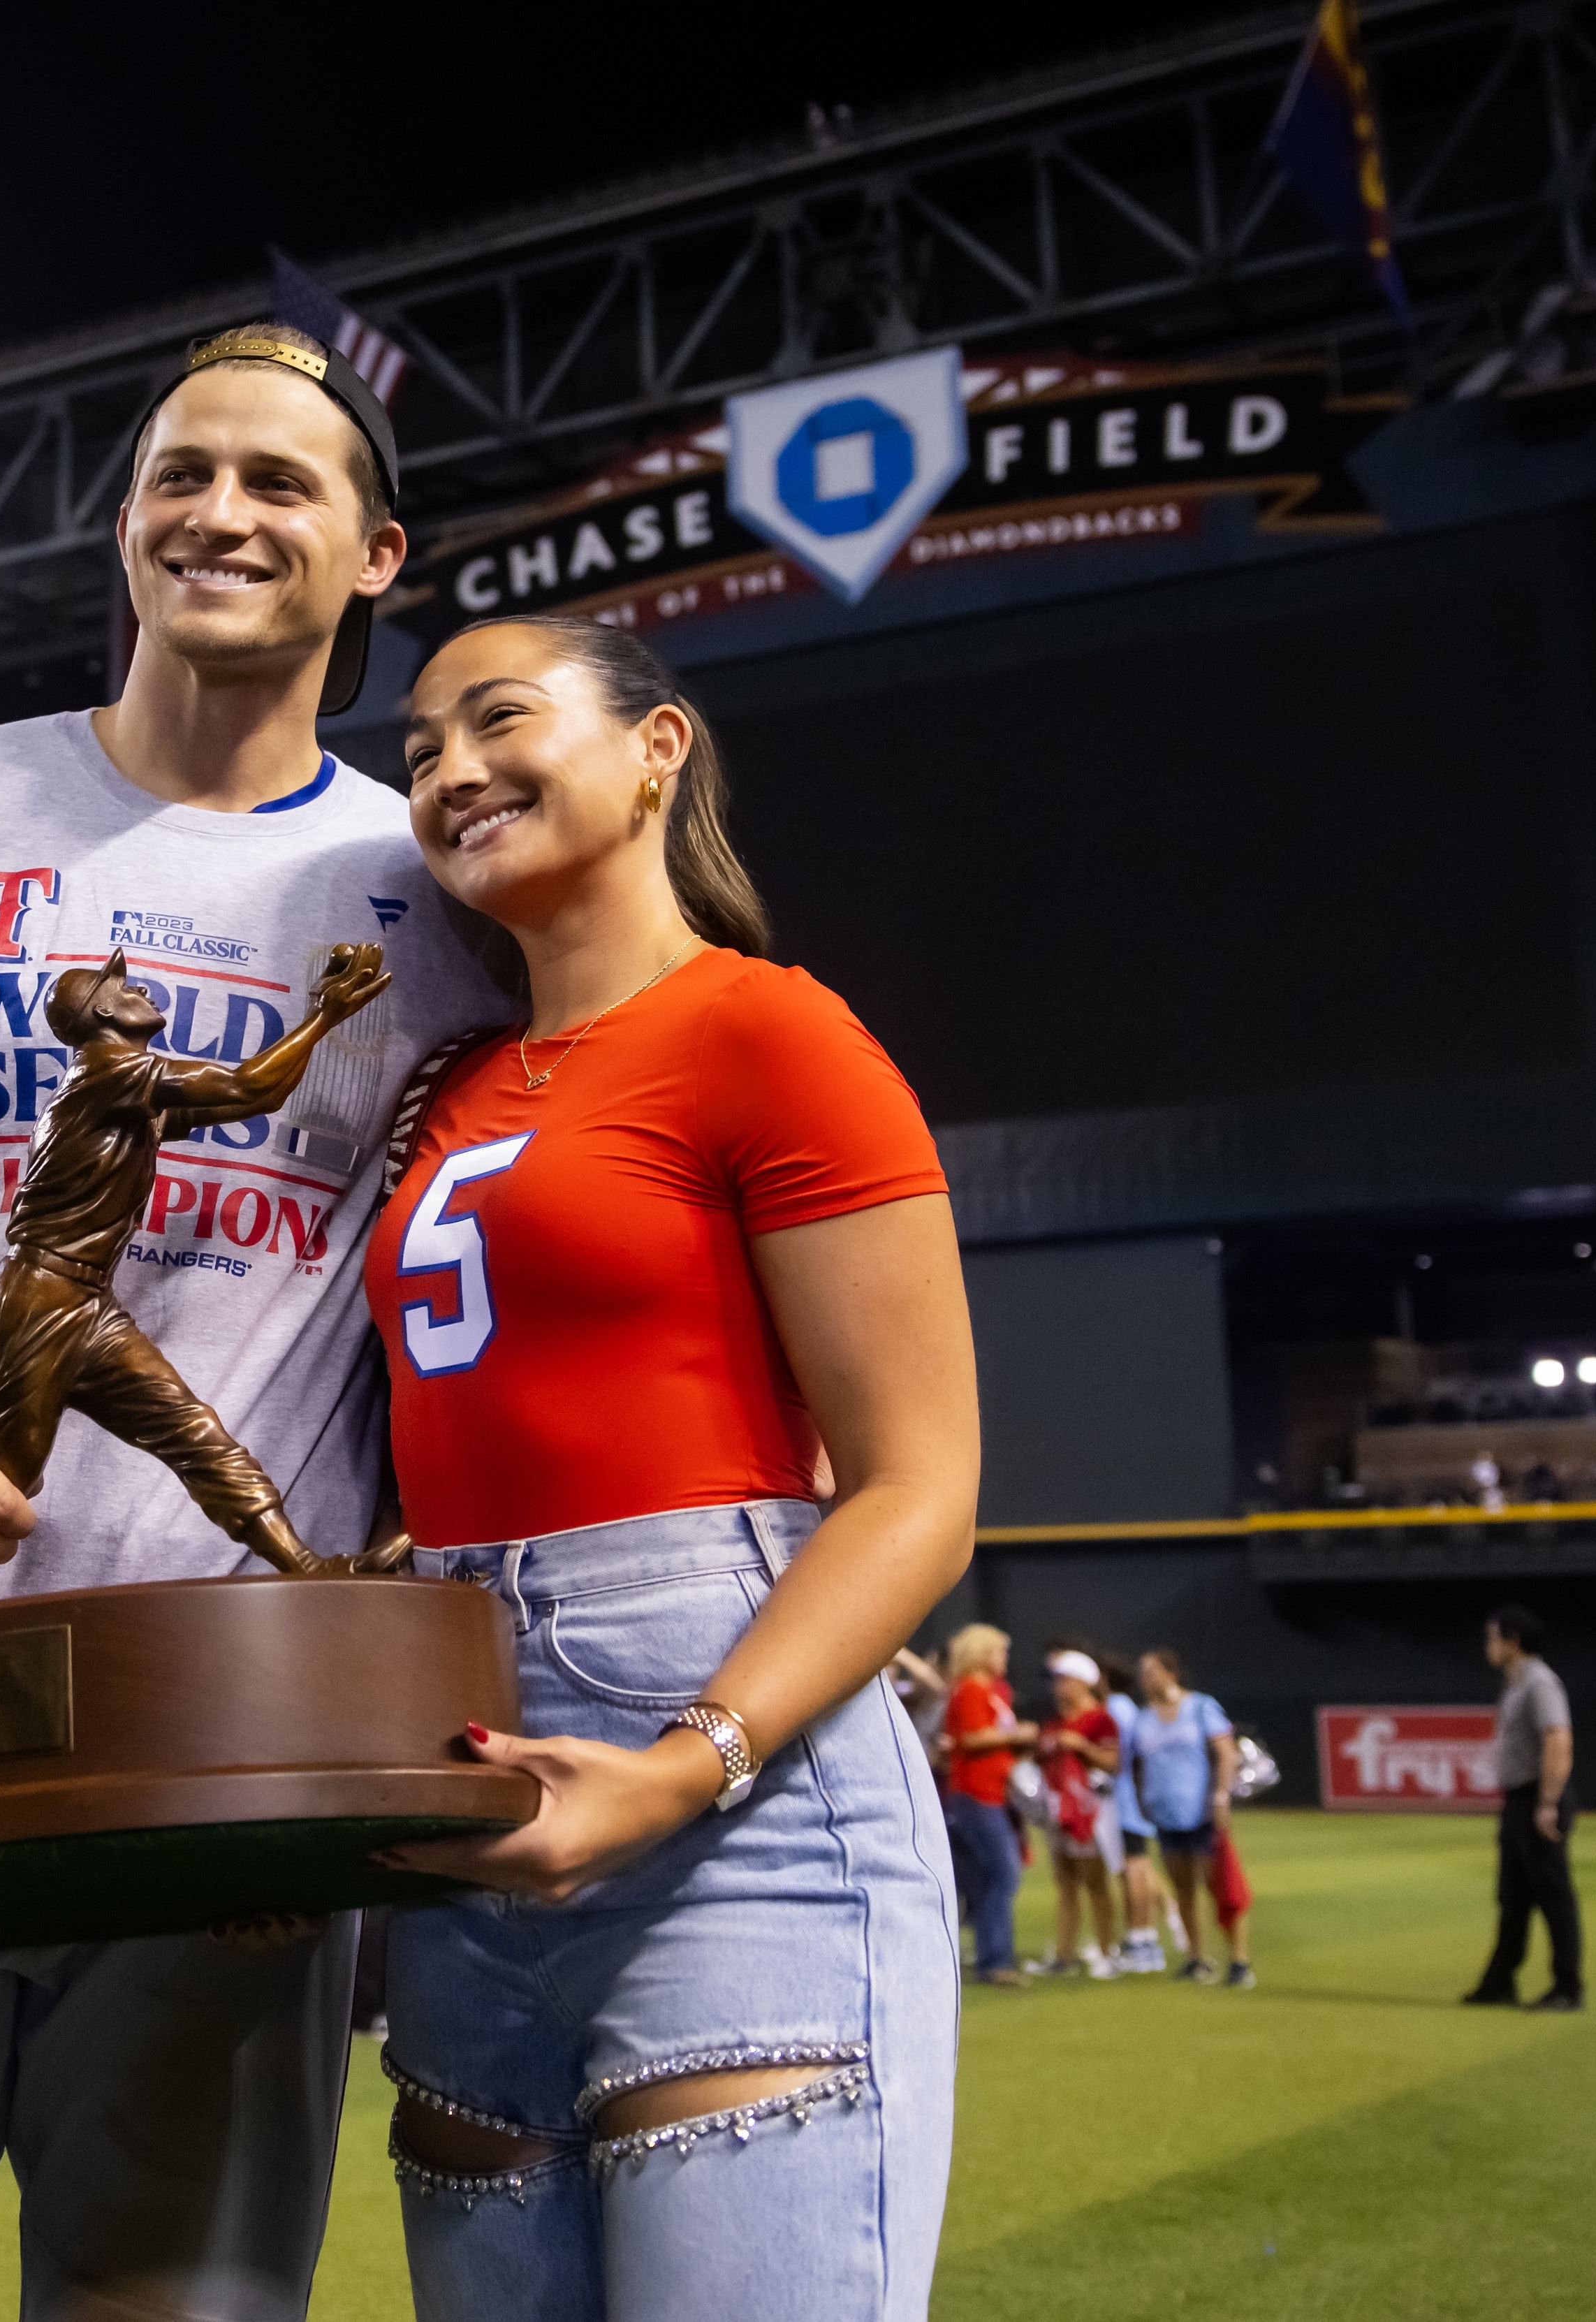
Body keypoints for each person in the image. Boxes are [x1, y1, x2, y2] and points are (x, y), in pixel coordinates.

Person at [0, 318, 498, 2316]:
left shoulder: (441, 887)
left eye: (277, 482)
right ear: (126, 525)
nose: (218, 512)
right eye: (178, 476)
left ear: (375, 553)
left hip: (225, 1759)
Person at [356, 608, 978, 2321]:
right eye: (417, 750)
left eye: (495, 719)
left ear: (655, 747)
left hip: (737, 1809)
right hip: (470, 1795)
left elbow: (917, 1485)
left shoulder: (769, 1031)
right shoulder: (445, 1089)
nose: (450, 770)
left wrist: (687, 1756)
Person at [1462, 1605, 1582, 2009]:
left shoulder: (1539, 1683)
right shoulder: (1517, 1684)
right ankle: (1500, 1981)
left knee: (1553, 1896)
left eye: (1492, 1638)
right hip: (1519, 1800)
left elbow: (1558, 1740)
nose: (1488, 1646)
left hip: (1538, 1798)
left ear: (1512, 1641)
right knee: (1512, 1897)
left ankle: (1568, 1988)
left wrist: (1547, 1804)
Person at [1129, 1648, 1251, 1987]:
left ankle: (1239, 1960)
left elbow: (1227, 1753)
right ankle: (1196, 1957)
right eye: (1143, 1672)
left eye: (1152, 1671)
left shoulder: (1200, 1707)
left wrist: (1221, 1796)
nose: (1146, 1678)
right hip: (1166, 1815)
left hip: (1202, 1814)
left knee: (1219, 1886)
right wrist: (1141, 1800)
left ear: (1172, 1673)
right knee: (1183, 1889)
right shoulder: (1144, 1718)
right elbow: (1138, 1764)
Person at [937, 1623, 1033, 1987]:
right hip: (978, 1795)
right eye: (999, 1651)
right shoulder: (973, 1690)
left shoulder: (987, 1691)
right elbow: (973, 1738)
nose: (1004, 1658)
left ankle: (988, 1954)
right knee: (1003, 1872)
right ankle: (995, 1959)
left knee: (980, 1878)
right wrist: (1017, 1735)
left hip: (985, 1794)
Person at [1033, 1648, 1124, 1978]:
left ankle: (1106, 1951)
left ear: (1083, 1682)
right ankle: (1065, 1954)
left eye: (1065, 1680)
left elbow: (1114, 1763)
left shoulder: (1100, 1719)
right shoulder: (1056, 1722)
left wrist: (1082, 1747)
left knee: (1096, 1883)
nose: (1059, 1687)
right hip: (1059, 1810)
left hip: (1092, 1811)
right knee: (1066, 1883)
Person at [1100, 1652, 1176, 1973]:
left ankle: (1142, 1942)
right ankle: (1147, 1939)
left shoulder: (1117, 1709)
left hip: (1125, 1798)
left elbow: (1121, 1758)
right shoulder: (1129, 1709)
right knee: (1138, 1866)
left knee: (1134, 1868)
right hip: (1134, 1797)